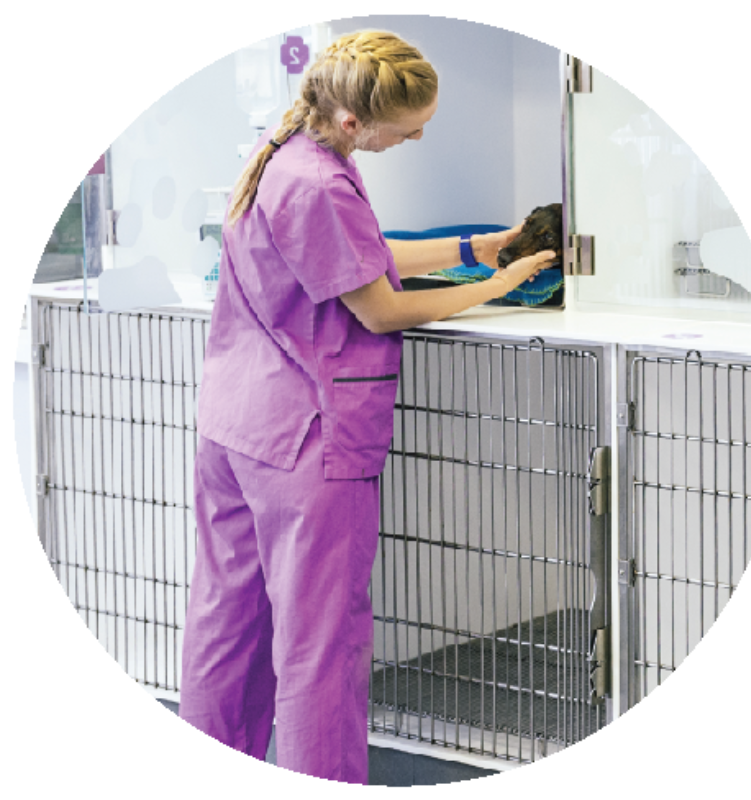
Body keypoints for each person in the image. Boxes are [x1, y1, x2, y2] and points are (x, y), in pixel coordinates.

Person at [178, 30, 556, 784]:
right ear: (355, 121)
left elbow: (356, 248)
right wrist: (494, 291)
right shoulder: (320, 182)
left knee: (228, 624)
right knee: (321, 647)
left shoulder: (283, 153)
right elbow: (379, 306)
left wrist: (484, 246)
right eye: (409, 124)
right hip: (306, 444)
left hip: (236, 428)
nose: (418, 135)